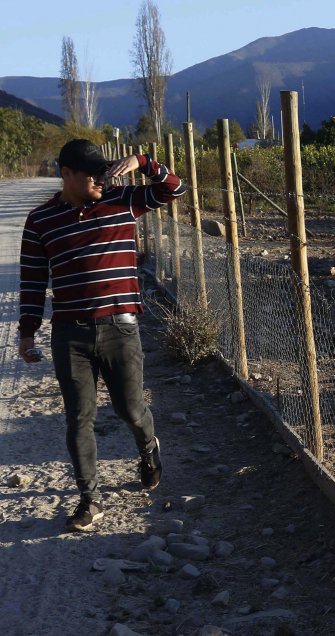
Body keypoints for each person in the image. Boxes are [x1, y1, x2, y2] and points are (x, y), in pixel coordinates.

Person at [18, 139, 186, 532]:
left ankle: (148, 449)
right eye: (91, 173)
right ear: (67, 174)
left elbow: (173, 189)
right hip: (69, 335)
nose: (100, 179)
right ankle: (89, 500)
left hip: (120, 329)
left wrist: (142, 162)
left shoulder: (122, 201)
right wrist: (27, 334)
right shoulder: (40, 220)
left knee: (131, 410)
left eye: (103, 171)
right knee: (79, 417)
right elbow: (32, 281)